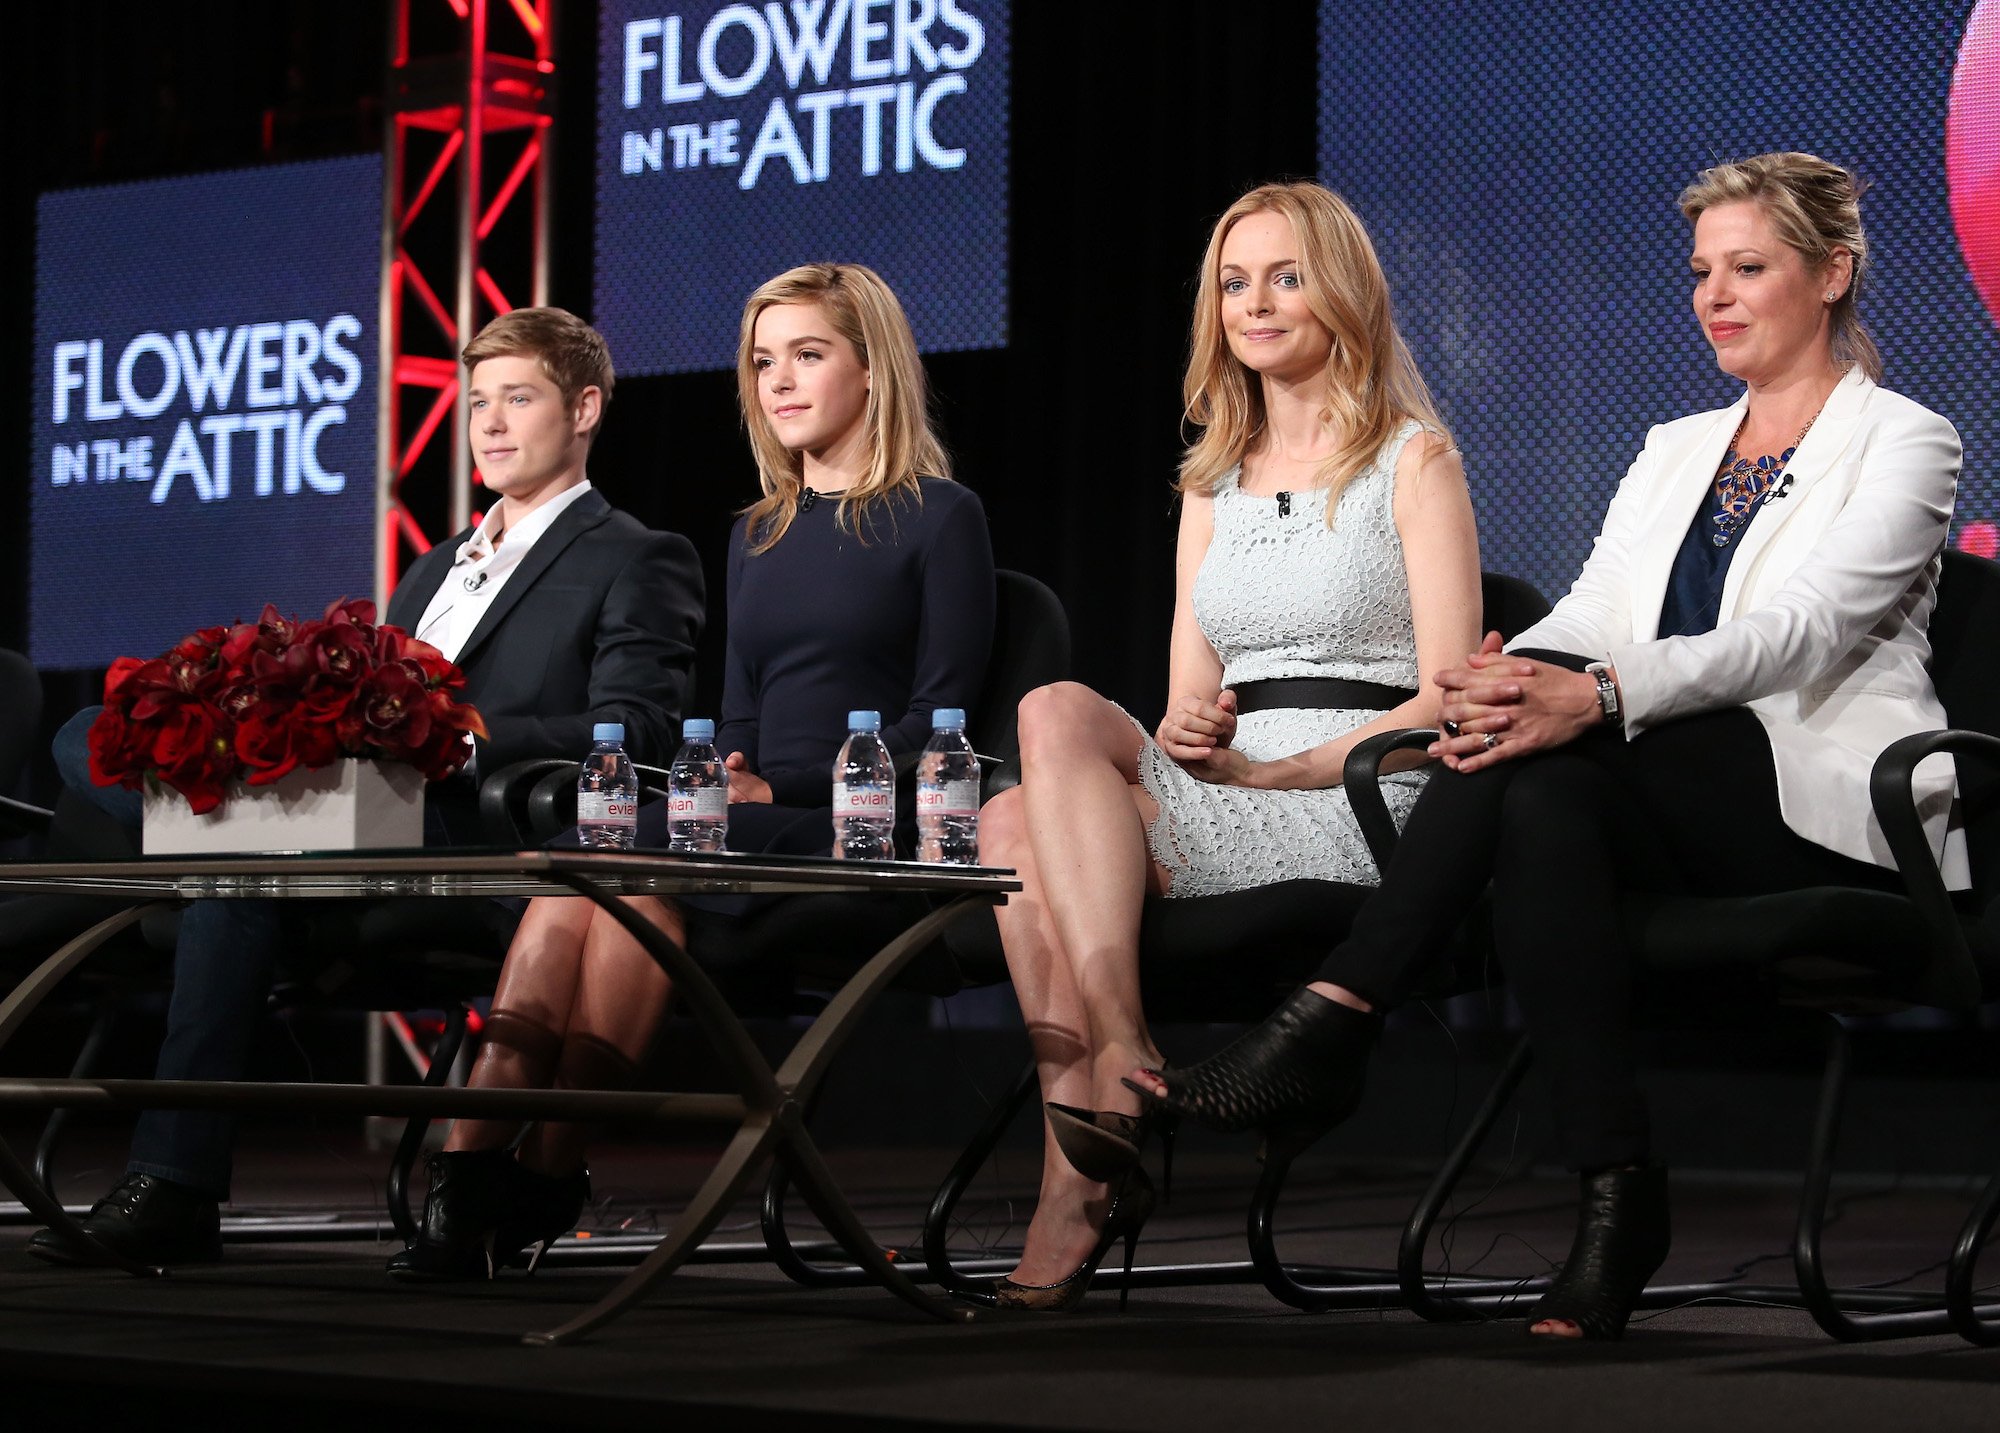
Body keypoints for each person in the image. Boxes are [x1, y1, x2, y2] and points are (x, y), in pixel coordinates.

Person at [1135, 153, 1964, 1341]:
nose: (1714, 296)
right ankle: (1612, 1189)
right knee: (1530, 787)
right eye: (1698, 273)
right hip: (1658, 791)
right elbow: (1591, 608)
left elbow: (1803, 631)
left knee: (1543, 761)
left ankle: (1336, 1014)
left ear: (1830, 274)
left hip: (1811, 796)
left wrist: (1596, 694)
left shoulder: (1904, 438)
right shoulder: (1674, 443)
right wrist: (1505, 671)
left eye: (1747, 268)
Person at [31, 307, 706, 1266]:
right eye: (479, 404)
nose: (492, 424)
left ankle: (174, 1185)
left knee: (235, 866)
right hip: (349, 814)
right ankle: (208, 846)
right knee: (95, 736)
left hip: (466, 831)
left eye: (520, 399)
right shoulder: (433, 567)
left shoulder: (636, 554)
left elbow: (635, 733)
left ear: (586, 407)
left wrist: (456, 741)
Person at [387, 262, 995, 1279]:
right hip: (739, 817)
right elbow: (739, 718)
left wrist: (783, 787)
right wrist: (732, 772)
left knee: (620, 863)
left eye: (808, 354)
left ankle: (522, 1168)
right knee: (589, 863)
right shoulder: (753, 534)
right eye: (763, 361)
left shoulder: (939, 515)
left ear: (873, 370)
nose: (779, 381)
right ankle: (484, 1171)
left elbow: (939, 721)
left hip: (856, 821)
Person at [975, 181, 1481, 1310]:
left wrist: (1269, 766)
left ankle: (1084, 1158)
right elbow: (1180, 711)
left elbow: (1446, 703)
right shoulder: (1212, 479)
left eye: (1284, 276)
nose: (1255, 303)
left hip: (1355, 790)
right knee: (1037, 746)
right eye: (1234, 281)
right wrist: (1196, 733)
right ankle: (1118, 1057)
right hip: (1226, 785)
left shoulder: (1412, 457)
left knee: (1020, 819)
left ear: (1339, 293)